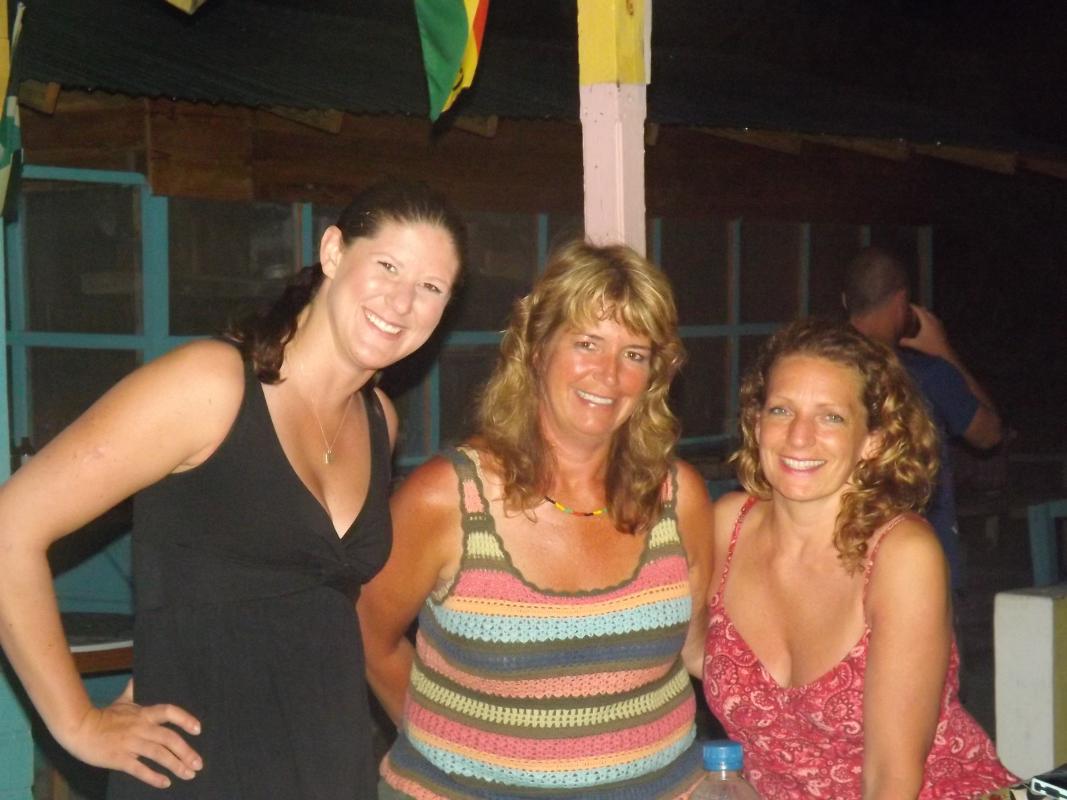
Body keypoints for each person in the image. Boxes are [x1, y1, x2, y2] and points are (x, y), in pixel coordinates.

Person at [0, 179, 465, 798]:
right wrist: (77, 723)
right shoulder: (211, 386)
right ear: (333, 252)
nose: (402, 302)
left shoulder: (379, 420)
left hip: (329, 767)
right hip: (201, 772)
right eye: (387, 266)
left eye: (431, 288)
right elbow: (10, 529)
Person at [358, 240, 714, 799]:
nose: (609, 374)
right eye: (587, 343)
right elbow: (367, 635)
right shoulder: (447, 498)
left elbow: (699, 645)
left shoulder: (679, 496)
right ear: (536, 347)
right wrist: (451, 755)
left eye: (634, 354)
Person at [703, 318, 1016, 799]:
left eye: (831, 417)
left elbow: (892, 777)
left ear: (873, 440)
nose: (799, 437)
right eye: (781, 410)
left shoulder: (900, 555)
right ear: (756, 422)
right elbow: (674, 652)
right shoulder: (728, 527)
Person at [843, 246, 1003, 591]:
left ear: (846, 301)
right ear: (902, 302)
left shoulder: (823, 367)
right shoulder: (926, 374)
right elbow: (989, 433)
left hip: (842, 557)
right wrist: (942, 350)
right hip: (922, 562)